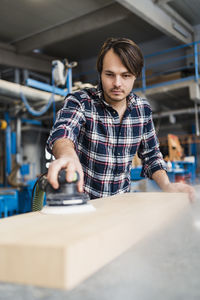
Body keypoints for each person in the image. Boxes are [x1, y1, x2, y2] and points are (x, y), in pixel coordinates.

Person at [46, 37, 195, 201]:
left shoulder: (142, 110)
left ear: (135, 75)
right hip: (82, 204)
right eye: (110, 74)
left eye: (125, 75)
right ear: (100, 73)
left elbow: (152, 155)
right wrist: (68, 156)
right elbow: (63, 132)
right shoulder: (81, 102)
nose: (117, 83)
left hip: (120, 205)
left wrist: (167, 185)